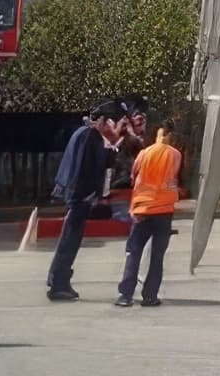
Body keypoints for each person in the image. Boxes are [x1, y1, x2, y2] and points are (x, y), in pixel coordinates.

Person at [45, 106, 114, 300]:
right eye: (109, 122)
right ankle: (59, 282)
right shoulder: (90, 136)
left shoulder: (83, 133)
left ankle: (57, 279)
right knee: (70, 240)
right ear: (100, 120)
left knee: (69, 239)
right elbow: (83, 167)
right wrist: (87, 194)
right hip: (80, 195)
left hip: (77, 194)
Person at [115, 118, 183, 308]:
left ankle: (125, 295)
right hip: (164, 211)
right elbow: (175, 176)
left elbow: (133, 177)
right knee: (157, 256)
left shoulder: (144, 154)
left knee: (133, 252)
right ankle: (150, 296)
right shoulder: (175, 155)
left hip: (142, 209)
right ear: (170, 135)